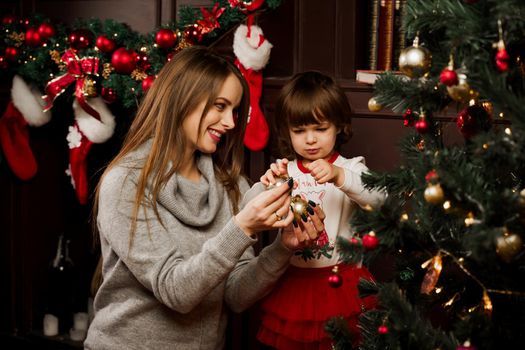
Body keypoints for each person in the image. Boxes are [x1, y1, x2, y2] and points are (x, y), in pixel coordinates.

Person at [84, 47, 326, 350]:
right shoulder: (126, 182)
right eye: (220, 106)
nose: (230, 123)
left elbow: (235, 295)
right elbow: (176, 291)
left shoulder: (230, 185)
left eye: (234, 110)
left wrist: (283, 248)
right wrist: (241, 228)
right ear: (181, 100)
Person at [256, 71, 386, 349]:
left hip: (342, 281)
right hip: (295, 282)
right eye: (299, 131)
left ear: (338, 126)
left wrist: (339, 176)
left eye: (320, 128)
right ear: (287, 131)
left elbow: (379, 199)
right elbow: (262, 217)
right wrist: (268, 186)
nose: (310, 140)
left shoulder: (350, 167)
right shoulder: (285, 171)